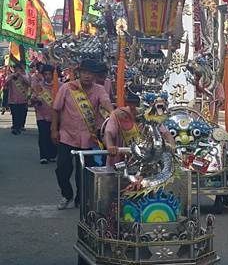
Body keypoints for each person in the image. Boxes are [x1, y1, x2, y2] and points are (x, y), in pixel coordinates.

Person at [52, 59, 113, 210]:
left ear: (95, 75)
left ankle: (81, 198)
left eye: (91, 73)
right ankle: (67, 195)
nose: (87, 76)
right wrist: (53, 130)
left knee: (84, 172)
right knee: (62, 169)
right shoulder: (67, 88)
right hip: (67, 135)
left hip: (88, 138)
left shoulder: (99, 89)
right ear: (79, 73)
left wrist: (113, 113)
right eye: (84, 72)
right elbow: (56, 109)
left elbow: (105, 102)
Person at [104, 89, 175, 167]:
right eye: (131, 104)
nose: (133, 107)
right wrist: (110, 147)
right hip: (120, 163)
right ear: (128, 104)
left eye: (136, 105)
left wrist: (172, 147)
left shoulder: (148, 116)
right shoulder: (118, 115)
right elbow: (108, 133)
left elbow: (165, 133)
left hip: (145, 163)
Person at [31, 65, 57, 164]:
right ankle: (43, 156)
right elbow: (32, 99)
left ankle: (52, 155)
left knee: (53, 135)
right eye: (45, 74)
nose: (48, 76)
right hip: (41, 114)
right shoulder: (39, 86)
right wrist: (35, 99)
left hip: (55, 116)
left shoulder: (60, 85)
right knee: (43, 135)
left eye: (49, 74)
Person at [6, 63, 30, 135]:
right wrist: (12, 76)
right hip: (13, 99)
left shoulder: (24, 76)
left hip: (22, 99)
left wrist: (21, 76)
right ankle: (15, 127)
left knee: (21, 114)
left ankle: (19, 126)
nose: (17, 70)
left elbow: (29, 84)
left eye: (18, 68)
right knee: (14, 114)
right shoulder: (11, 76)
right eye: (16, 68)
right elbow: (5, 84)